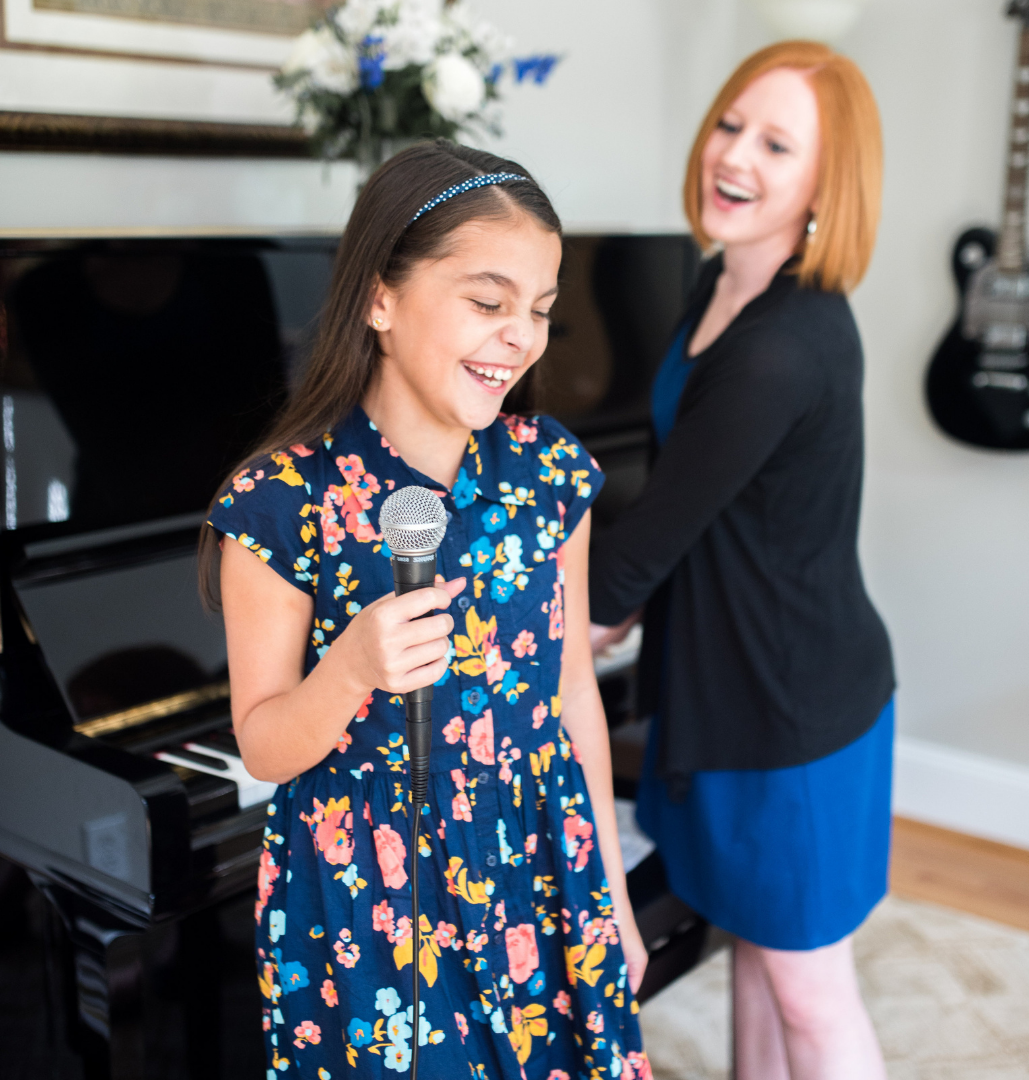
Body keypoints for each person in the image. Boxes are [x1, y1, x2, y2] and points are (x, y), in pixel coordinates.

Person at [202, 141, 650, 1080]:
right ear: (379, 298)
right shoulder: (280, 503)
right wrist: (352, 669)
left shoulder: (549, 474)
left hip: (540, 872)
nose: (519, 337)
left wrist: (607, 892)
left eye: (539, 311)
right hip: (370, 904)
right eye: (487, 303)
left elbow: (573, 693)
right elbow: (265, 743)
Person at [588, 42, 894, 1080]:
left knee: (812, 994)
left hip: (788, 712)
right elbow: (676, 504)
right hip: (725, 683)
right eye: (731, 125)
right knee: (755, 959)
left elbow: (638, 555)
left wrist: (508, 636)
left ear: (824, 183)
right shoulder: (724, 282)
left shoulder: (782, 343)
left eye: (777, 143)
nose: (737, 157)